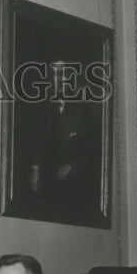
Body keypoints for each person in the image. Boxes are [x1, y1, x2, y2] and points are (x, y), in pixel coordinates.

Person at [30, 61, 102, 209]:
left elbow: (95, 149)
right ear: (50, 79)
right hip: (47, 183)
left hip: (75, 186)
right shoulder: (43, 107)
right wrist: (35, 169)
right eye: (56, 74)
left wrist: (71, 167)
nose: (60, 79)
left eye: (64, 74)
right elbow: (38, 142)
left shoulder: (81, 109)